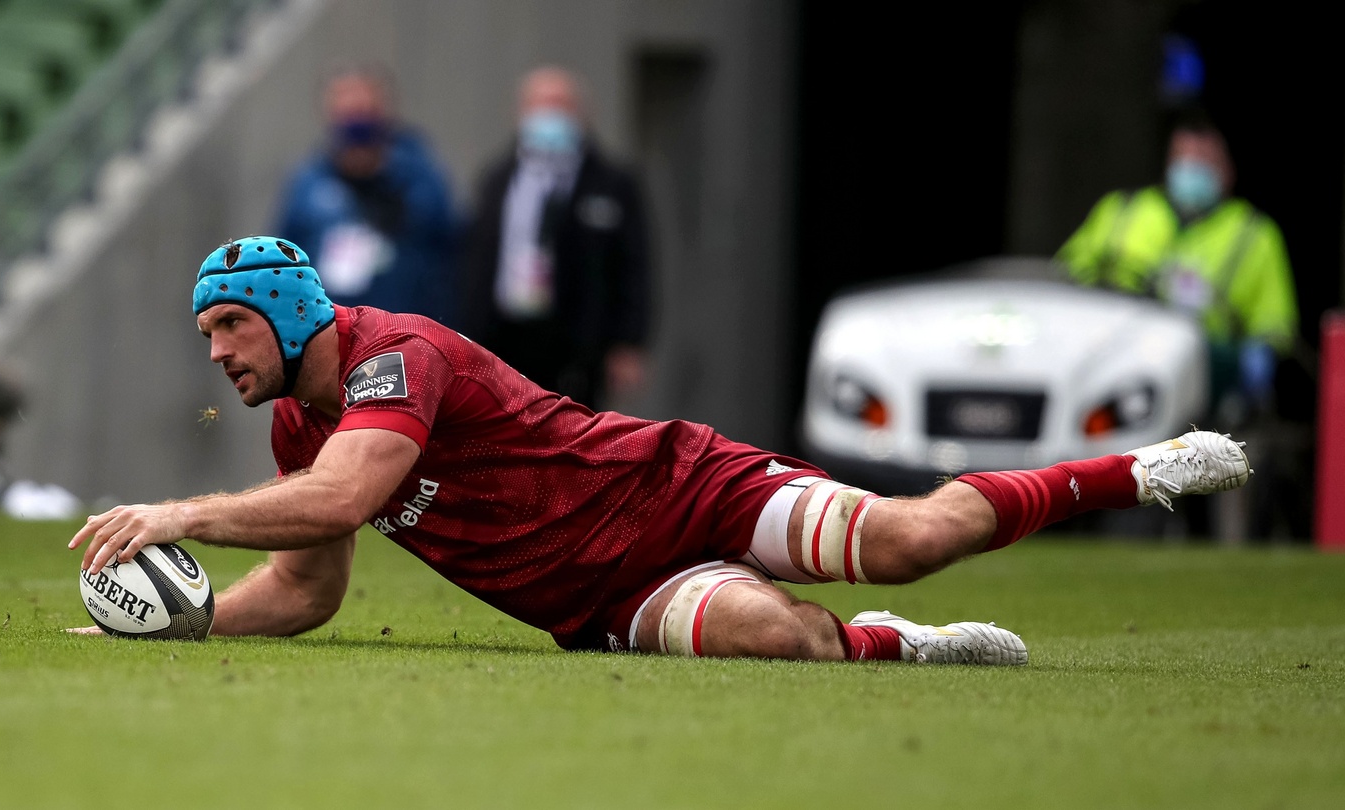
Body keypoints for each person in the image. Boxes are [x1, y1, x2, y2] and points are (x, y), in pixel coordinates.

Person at [68, 236, 1253, 665]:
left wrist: (173, 518)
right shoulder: (295, 423)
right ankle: (893, 652)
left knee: (910, 535)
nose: (215, 352)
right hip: (602, 598)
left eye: (228, 326)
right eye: (205, 333)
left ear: (286, 310)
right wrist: (183, 621)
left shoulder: (394, 355)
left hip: (676, 483)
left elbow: (350, 494)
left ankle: (1134, 470)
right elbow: (307, 583)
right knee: (772, 637)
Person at [1056, 113, 1298, 418]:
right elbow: (1064, 275)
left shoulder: (1254, 233)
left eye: (1204, 160)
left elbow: (1275, 323)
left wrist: (1259, 354)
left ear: (1228, 169)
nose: (1191, 169)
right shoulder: (1121, 209)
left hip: (1201, 370)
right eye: (1184, 158)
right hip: (1107, 349)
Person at [461, 66, 649, 410]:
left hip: (575, 340)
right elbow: (478, 259)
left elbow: (633, 265)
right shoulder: (499, 177)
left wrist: (628, 342)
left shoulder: (611, 183)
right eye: (540, 105)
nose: (549, 116)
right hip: (507, 332)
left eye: (560, 105)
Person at [275, 68, 457, 325]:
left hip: (406, 330)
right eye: (348, 114)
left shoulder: (418, 178)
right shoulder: (310, 183)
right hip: (331, 332)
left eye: (364, 112)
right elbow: (285, 259)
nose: (357, 125)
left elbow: (451, 253)